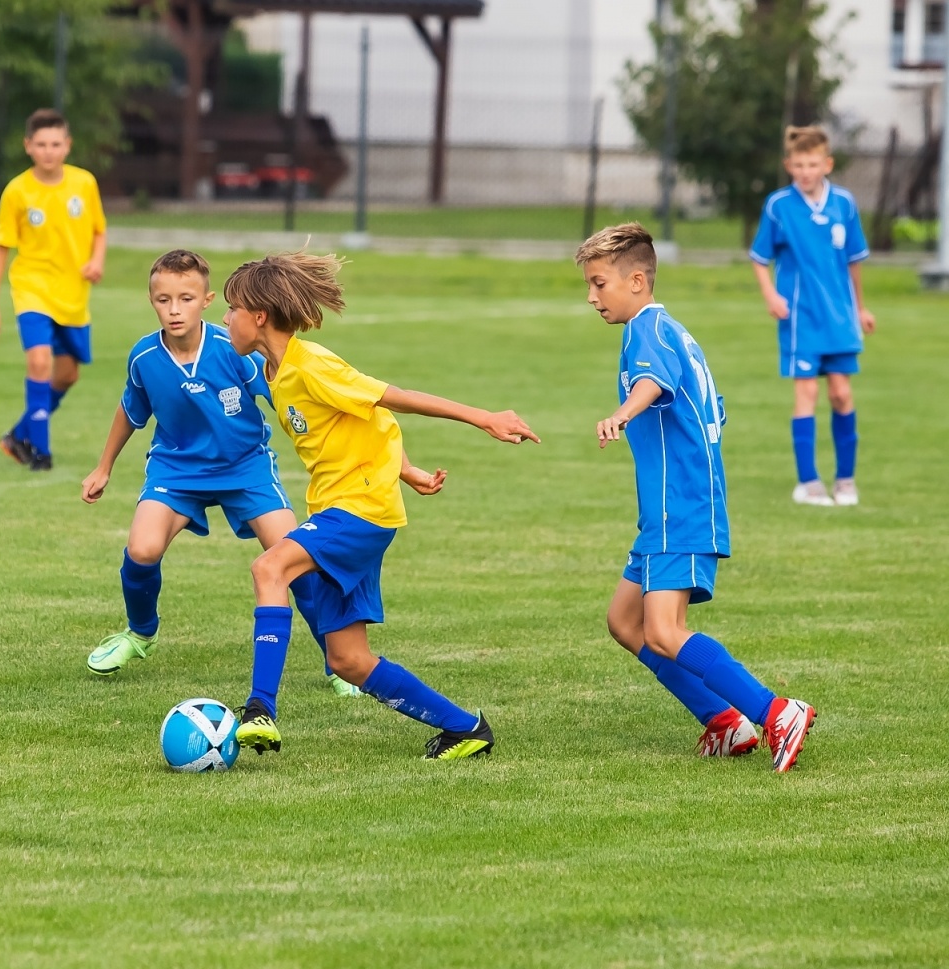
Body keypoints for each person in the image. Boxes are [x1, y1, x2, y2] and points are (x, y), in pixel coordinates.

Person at [223, 251, 539, 759]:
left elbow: (395, 398)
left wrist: (483, 417)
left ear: (258, 316)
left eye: (231, 308)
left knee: (269, 567)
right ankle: (466, 728)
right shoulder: (273, 372)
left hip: (359, 510)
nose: (225, 318)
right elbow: (372, 424)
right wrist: (408, 469)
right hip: (349, 508)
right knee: (348, 660)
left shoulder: (313, 365)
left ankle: (260, 708)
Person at [80, 249, 373, 697]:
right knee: (141, 549)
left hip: (246, 468)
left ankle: (337, 663)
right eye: (163, 300)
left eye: (185, 298)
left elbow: (287, 397)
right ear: (151, 300)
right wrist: (104, 467)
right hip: (177, 470)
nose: (174, 309)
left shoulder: (233, 349)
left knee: (297, 563)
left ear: (206, 300)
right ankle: (140, 634)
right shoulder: (143, 357)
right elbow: (130, 410)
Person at [582, 223, 816, 771]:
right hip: (670, 507)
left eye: (599, 284)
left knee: (663, 630)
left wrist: (621, 413)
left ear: (636, 280)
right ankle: (724, 721)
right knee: (625, 622)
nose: (592, 297)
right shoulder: (673, 330)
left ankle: (776, 710)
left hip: (679, 507)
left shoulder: (648, 332)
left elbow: (654, 384)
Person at [750, 125, 875, 507]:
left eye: (813, 164)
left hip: (839, 317)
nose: (806, 171)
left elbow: (854, 261)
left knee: (841, 393)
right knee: (806, 392)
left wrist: (860, 307)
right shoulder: (778, 206)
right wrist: (771, 293)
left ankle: (846, 480)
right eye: (799, 164)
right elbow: (759, 258)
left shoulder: (845, 204)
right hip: (800, 319)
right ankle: (808, 482)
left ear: (827, 164)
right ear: (789, 165)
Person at [0, 108, 108, 472]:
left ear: (67, 146)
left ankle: (18, 435)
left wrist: (96, 261)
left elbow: (100, 229)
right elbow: (0, 247)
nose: (49, 151)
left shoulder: (84, 183)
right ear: (28, 146)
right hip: (31, 287)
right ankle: (40, 452)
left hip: (72, 295)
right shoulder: (18, 191)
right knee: (39, 361)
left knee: (68, 375)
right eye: (41, 144)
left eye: (56, 144)